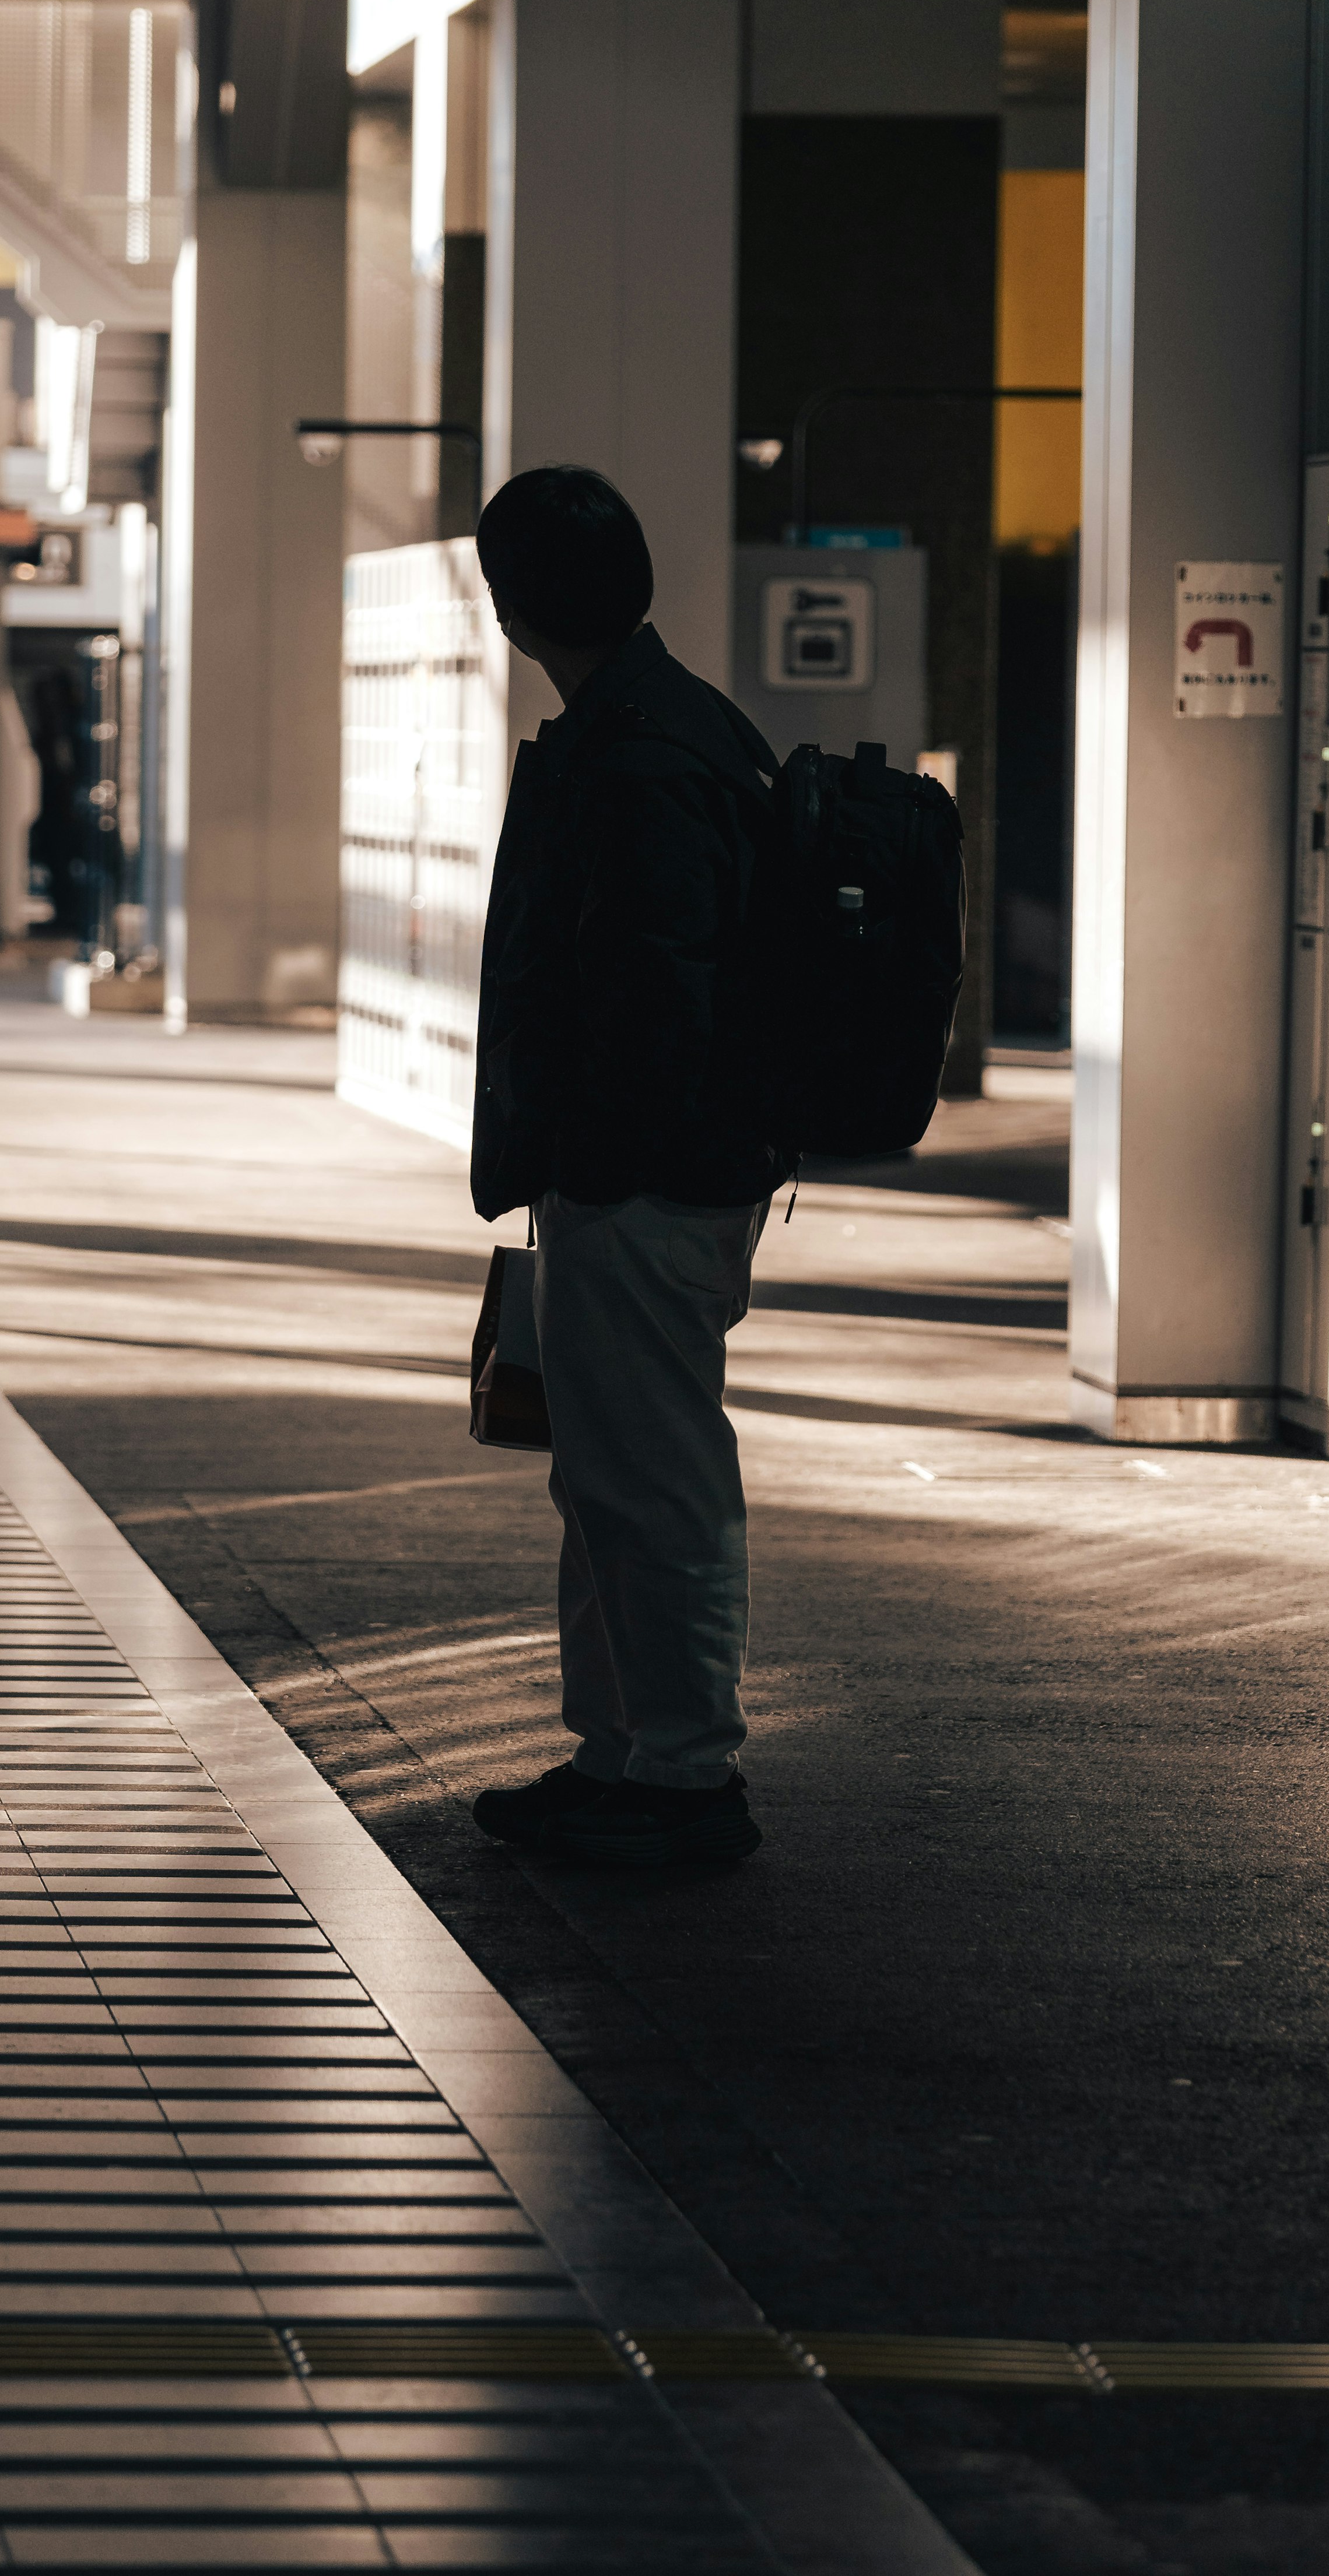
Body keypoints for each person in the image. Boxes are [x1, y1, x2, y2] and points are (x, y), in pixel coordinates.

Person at [468, 467, 788, 1869]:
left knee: (651, 1476)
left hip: (647, 1176)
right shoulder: (661, 724)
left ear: (511, 601)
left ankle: (681, 1774)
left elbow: (653, 988)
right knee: (606, 1473)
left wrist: (597, 1153)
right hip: (644, 1167)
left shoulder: (640, 750)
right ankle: (620, 1751)